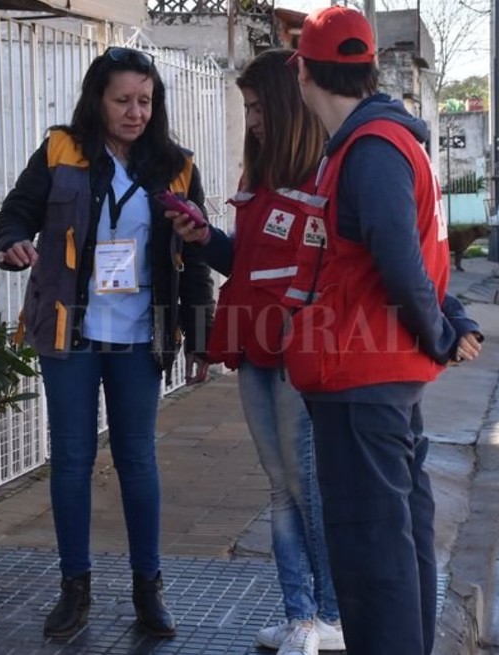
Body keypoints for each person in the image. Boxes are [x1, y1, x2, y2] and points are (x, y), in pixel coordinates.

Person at [0, 45, 214, 640]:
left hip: (141, 336)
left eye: (145, 100)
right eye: (123, 100)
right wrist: (10, 244)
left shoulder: (177, 167)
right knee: (71, 460)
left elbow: (193, 258)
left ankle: (149, 589)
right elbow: (13, 216)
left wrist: (203, 340)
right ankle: (74, 589)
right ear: (99, 99)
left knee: (137, 460)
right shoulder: (62, 150)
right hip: (71, 332)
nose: (135, 112)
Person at [280, 7, 483, 655]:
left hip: (363, 381)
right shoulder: (385, 143)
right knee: (396, 542)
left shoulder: (370, 152)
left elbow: (400, 260)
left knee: (373, 555)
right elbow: (411, 260)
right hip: (373, 379)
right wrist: (443, 327)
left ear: (305, 72)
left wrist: (439, 334)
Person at [168, 49, 343, 655]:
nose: (252, 120)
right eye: (246, 109)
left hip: (302, 348)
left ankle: (329, 614)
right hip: (255, 343)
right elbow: (243, 262)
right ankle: (300, 616)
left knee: (305, 484)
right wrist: (204, 238)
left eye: (257, 106)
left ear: (287, 102)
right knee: (278, 485)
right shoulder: (256, 175)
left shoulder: (328, 171)